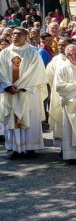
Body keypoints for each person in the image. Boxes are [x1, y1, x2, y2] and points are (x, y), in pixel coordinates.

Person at [0, 28, 47, 158]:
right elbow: (1, 71)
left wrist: (19, 86)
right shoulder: (4, 53)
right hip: (10, 92)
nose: (15, 36)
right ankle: (16, 148)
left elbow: (36, 72)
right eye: (13, 34)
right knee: (13, 119)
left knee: (30, 118)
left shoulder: (33, 53)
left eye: (18, 34)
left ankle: (30, 148)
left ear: (25, 36)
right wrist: (8, 85)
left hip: (28, 92)